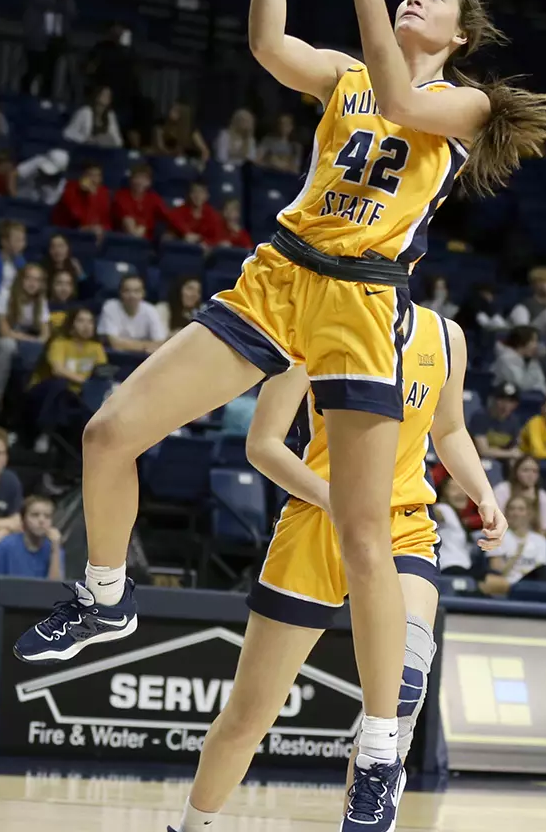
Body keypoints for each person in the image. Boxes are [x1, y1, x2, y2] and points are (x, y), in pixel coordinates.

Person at [15, 0, 546, 832]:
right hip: (280, 274)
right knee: (109, 433)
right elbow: (270, 44)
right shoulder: (348, 74)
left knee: (365, 534)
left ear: (463, 37)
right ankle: (106, 596)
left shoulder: (467, 105)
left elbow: (401, 104)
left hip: (362, 305)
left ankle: (380, 745)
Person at [176, 304, 503, 832]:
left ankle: (369, 808)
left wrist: (483, 491)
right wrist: (342, 501)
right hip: (316, 522)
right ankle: (192, 825)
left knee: (405, 679)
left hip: (401, 522)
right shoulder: (314, 327)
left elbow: (450, 428)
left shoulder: (446, 336)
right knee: (248, 716)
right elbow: (262, 446)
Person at [24, 307, 107, 436]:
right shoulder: (60, 343)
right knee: (60, 384)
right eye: (81, 321)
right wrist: (85, 381)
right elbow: (58, 370)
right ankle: (45, 431)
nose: (86, 326)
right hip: (45, 390)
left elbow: (102, 370)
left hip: (78, 393)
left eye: (90, 322)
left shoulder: (96, 347)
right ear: (71, 324)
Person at [0, 263, 53, 405]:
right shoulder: (5, 295)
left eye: (37, 280)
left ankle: (29, 398)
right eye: (29, 278)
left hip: (19, 342)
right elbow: (4, 332)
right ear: (21, 279)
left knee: (46, 349)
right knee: (8, 346)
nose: (33, 283)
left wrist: (34, 341)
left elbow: (45, 335)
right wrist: (32, 339)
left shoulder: (40, 301)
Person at [482, 495, 546, 596]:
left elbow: (541, 571)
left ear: (529, 514)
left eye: (521, 509)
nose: (516, 513)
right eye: (512, 509)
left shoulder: (540, 540)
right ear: (506, 513)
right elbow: (497, 572)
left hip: (531, 585)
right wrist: (516, 555)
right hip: (506, 586)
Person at [0, 495, 65, 579]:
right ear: (23, 519)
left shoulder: (55, 548)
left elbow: (56, 588)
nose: (41, 520)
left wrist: (55, 551)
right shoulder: (5, 546)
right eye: (35, 515)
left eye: (47, 516)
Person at [96, 274, 169, 354]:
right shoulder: (110, 307)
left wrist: (126, 344)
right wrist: (146, 346)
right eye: (127, 291)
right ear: (120, 292)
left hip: (142, 359)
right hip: (116, 358)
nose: (132, 295)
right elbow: (115, 343)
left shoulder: (150, 310)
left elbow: (160, 342)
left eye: (137, 291)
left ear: (143, 293)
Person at [494, 454, 546, 535]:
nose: (530, 475)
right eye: (525, 470)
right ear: (516, 472)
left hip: (532, 539)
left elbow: (544, 529)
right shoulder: (502, 490)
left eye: (534, 471)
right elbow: (495, 521)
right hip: (503, 535)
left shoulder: (543, 497)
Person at [111, 162, 171, 239]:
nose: (140, 182)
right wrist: (142, 225)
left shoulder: (154, 198)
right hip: (122, 238)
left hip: (146, 242)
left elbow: (168, 216)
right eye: (137, 178)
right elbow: (126, 216)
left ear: (149, 183)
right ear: (131, 180)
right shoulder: (121, 195)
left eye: (144, 179)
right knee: (129, 221)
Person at [470, 382, 524, 465]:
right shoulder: (480, 417)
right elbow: (483, 451)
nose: (505, 405)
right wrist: (510, 454)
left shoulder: (514, 421)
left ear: (516, 404)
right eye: (502, 399)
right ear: (494, 400)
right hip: (477, 461)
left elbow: (516, 448)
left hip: (502, 462)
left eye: (511, 401)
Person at [53, 162, 111, 234]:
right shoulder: (70, 188)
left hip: (95, 231)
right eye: (90, 175)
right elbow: (76, 217)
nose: (94, 179)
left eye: (97, 175)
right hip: (69, 230)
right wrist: (89, 195)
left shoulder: (103, 192)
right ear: (82, 176)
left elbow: (105, 219)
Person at [508, 267, 546, 341]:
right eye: (545, 282)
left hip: (543, 346)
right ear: (535, 284)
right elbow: (522, 333)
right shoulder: (523, 306)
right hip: (524, 342)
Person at [148, 100, 210, 164]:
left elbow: (204, 150)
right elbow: (160, 149)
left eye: (175, 111)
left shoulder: (191, 130)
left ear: (183, 114)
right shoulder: (161, 126)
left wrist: (201, 163)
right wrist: (174, 152)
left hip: (184, 163)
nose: (170, 112)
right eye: (171, 109)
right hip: (164, 160)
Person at [492, 326, 546, 396]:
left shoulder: (529, 360)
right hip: (509, 399)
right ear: (522, 341)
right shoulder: (505, 359)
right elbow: (521, 386)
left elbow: (543, 386)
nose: (536, 345)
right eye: (533, 341)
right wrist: (534, 363)